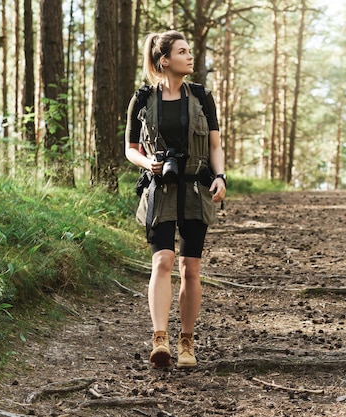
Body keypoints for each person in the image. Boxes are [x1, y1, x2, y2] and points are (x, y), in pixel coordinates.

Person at [124, 30, 226, 369]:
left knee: (190, 267)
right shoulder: (142, 99)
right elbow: (131, 149)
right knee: (162, 261)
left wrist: (221, 177)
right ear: (164, 60)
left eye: (189, 51)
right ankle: (160, 339)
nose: (189, 56)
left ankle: (187, 341)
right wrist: (147, 163)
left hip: (197, 189)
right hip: (160, 188)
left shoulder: (201, 97)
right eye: (182, 51)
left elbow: (214, 145)